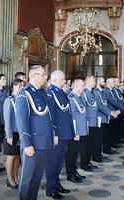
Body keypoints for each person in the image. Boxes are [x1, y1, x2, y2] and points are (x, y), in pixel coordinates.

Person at [15, 65, 53, 200]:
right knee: (27, 177)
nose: (45, 77)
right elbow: (22, 121)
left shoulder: (42, 92)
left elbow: (47, 117)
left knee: (36, 177)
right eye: (42, 74)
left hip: (43, 141)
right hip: (32, 143)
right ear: (33, 76)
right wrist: (27, 144)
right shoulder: (24, 93)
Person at [45, 70, 74, 199]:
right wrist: (54, 132)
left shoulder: (60, 91)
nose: (65, 81)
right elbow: (50, 115)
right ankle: (51, 189)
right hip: (57, 133)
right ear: (55, 80)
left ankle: (56, 184)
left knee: (58, 162)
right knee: (53, 162)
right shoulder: (50, 93)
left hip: (63, 133)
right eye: (62, 79)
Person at [3, 78, 25, 189]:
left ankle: (15, 177)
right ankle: (9, 179)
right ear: (14, 86)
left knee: (17, 156)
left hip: (20, 132)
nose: (23, 88)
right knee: (11, 156)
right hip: (12, 132)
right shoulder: (9, 100)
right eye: (21, 85)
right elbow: (7, 119)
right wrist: (9, 135)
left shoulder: (22, 99)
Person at [66, 79, 88, 183]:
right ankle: (70, 174)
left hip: (81, 130)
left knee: (75, 153)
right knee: (72, 153)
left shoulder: (78, 97)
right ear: (76, 86)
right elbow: (72, 117)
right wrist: (76, 132)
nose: (84, 87)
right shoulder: (71, 98)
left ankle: (74, 172)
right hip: (76, 132)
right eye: (83, 85)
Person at [93, 76, 118, 162]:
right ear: (98, 82)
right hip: (100, 118)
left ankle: (99, 154)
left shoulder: (102, 92)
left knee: (100, 138)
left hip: (104, 118)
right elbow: (100, 106)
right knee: (98, 138)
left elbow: (105, 104)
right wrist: (110, 112)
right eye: (103, 81)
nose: (104, 83)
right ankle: (96, 155)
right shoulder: (96, 92)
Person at [80, 75, 98, 171]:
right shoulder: (84, 92)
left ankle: (88, 161)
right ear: (87, 82)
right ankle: (84, 163)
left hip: (93, 122)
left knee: (91, 143)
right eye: (93, 81)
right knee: (85, 144)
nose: (94, 82)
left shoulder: (92, 92)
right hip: (88, 122)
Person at [103, 77, 123, 155]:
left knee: (112, 131)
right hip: (110, 114)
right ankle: (107, 148)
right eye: (113, 82)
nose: (114, 83)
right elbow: (113, 101)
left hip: (114, 113)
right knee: (108, 133)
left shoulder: (112, 90)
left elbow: (117, 100)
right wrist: (122, 107)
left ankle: (110, 146)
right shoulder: (107, 91)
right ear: (108, 83)